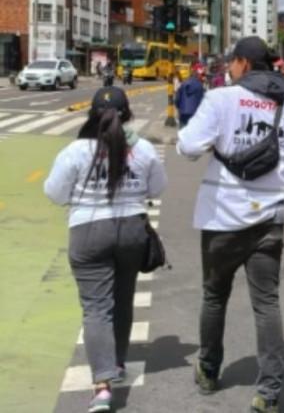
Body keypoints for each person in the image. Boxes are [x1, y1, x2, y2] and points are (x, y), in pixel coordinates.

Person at [176, 37, 284, 413]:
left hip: (223, 219)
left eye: (232, 61)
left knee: (215, 296)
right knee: (267, 303)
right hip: (269, 219)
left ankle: (208, 370)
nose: (229, 68)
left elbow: (188, 146)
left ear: (244, 64)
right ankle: (269, 391)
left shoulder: (221, 99)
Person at [43, 87, 167, 413]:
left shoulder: (76, 150)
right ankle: (118, 363)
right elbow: (157, 188)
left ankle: (102, 387)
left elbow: (55, 193)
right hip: (131, 231)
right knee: (123, 299)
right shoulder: (143, 150)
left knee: (97, 308)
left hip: (88, 231)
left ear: (91, 115)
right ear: (129, 114)